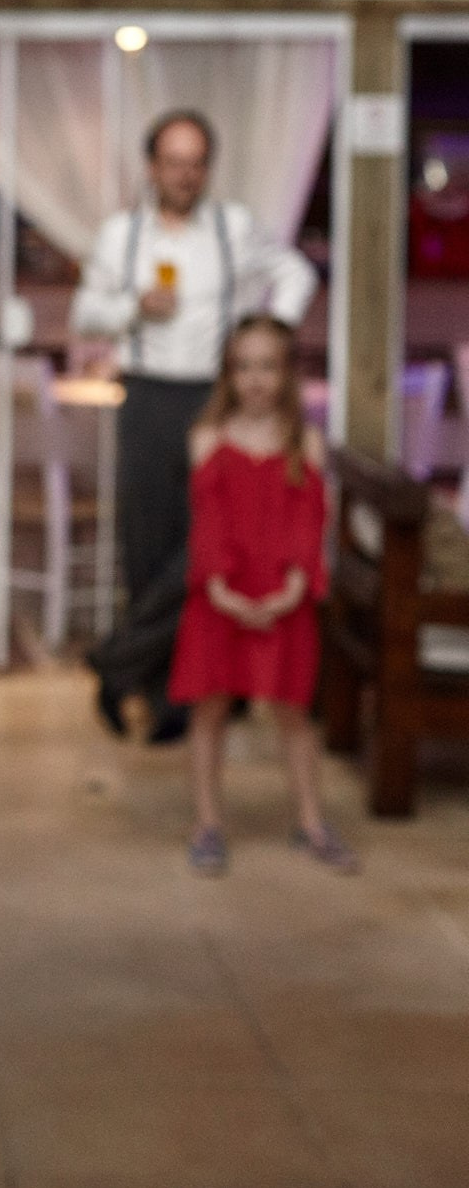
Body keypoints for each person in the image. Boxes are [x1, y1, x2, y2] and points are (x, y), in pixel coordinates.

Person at [73, 111, 316, 742]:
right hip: (146, 398)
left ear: (208, 168)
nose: (185, 174)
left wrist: (267, 337)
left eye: (196, 162)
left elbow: (297, 273)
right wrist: (133, 308)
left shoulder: (234, 228)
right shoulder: (122, 235)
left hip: (214, 401)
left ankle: (119, 661)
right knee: (147, 549)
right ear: (152, 167)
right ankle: (164, 701)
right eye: (174, 162)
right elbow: (86, 313)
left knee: (208, 547)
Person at [170, 316, 352, 877]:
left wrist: (295, 585)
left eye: (267, 367)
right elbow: (209, 519)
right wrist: (219, 586)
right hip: (219, 596)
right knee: (210, 710)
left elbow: (309, 520)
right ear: (228, 374)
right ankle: (207, 824)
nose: (254, 379)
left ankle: (311, 822)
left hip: (284, 598)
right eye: (243, 367)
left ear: (287, 374)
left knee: (293, 713)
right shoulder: (207, 438)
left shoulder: (305, 443)